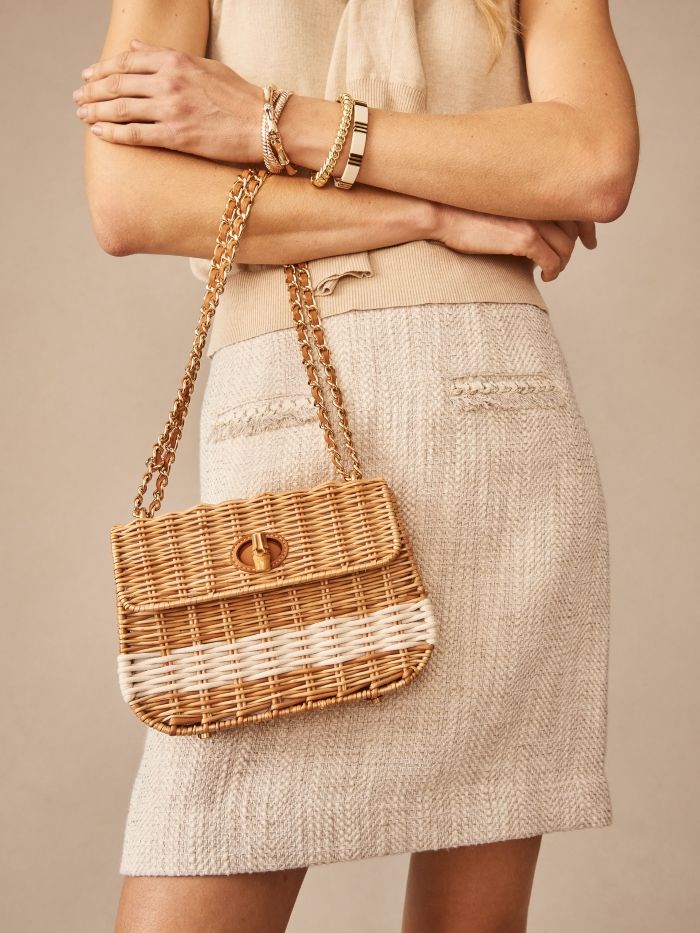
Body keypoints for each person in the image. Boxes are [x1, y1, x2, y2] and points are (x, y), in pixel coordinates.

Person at [75, 1, 639, 930]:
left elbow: (592, 161)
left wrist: (269, 120)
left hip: (495, 441)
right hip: (281, 435)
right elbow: (130, 204)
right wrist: (435, 209)